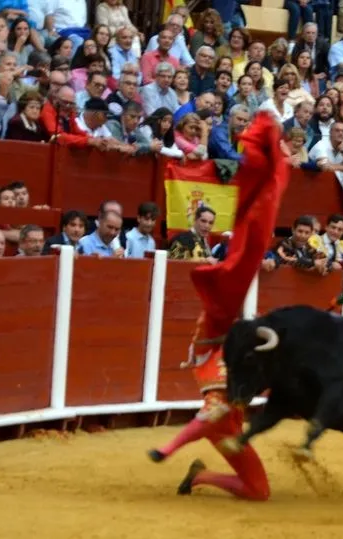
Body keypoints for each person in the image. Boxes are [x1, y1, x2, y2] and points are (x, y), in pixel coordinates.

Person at [147, 112, 290, 501]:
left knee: (257, 490)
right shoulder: (219, 374)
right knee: (258, 491)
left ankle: (199, 477)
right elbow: (208, 415)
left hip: (231, 425)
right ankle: (195, 471)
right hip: (223, 430)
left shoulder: (226, 349)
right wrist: (168, 448)